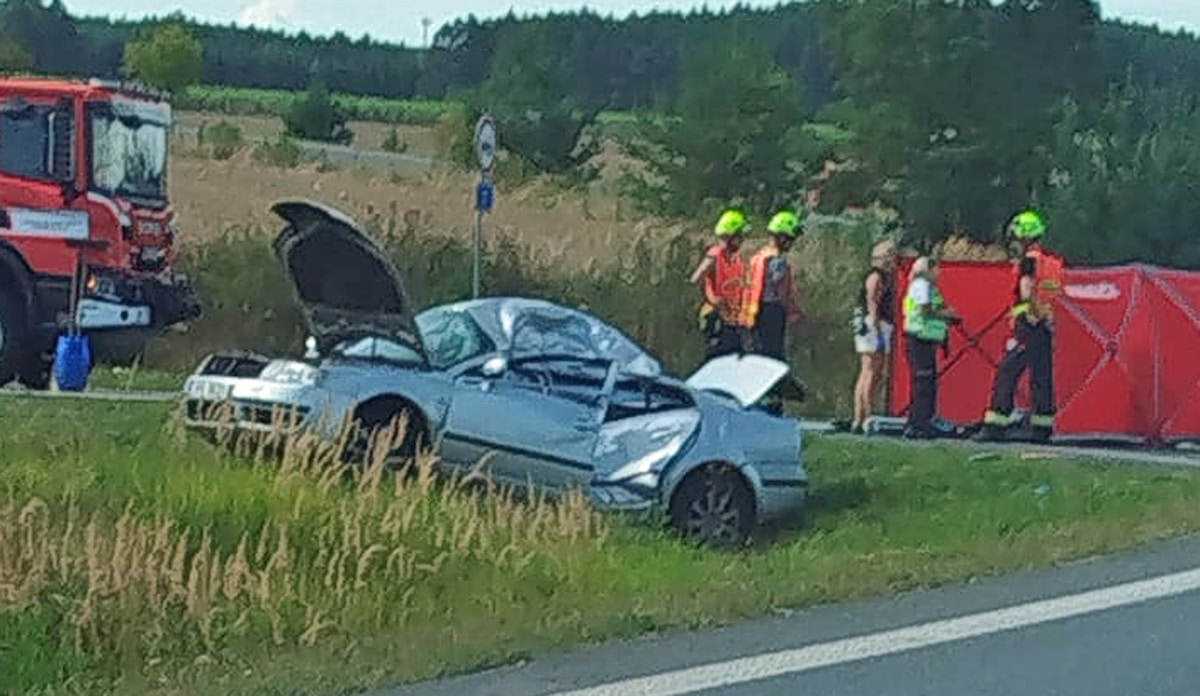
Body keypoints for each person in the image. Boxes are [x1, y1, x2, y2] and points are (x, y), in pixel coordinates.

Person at [976, 210, 1065, 444]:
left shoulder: (1028, 262)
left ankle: (995, 426)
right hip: (1045, 325)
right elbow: (1053, 296)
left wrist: (1031, 313)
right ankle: (1042, 428)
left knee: (1007, 373)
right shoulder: (1053, 264)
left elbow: (1026, 292)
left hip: (1028, 324)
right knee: (1041, 377)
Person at [742, 209, 805, 414]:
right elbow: (782, 291)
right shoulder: (778, 261)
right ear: (782, 237)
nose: (792, 243)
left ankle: (759, 397)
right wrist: (794, 311)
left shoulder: (757, 258)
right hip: (772, 312)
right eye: (790, 238)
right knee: (774, 357)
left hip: (753, 314)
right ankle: (773, 399)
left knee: (759, 356)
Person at [902, 256, 960, 439]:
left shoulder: (928, 287)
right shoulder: (921, 285)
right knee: (923, 382)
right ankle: (919, 423)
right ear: (929, 269)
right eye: (937, 269)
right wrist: (946, 315)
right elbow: (924, 310)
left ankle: (925, 420)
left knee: (927, 382)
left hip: (926, 338)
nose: (939, 273)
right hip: (920, 338)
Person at [851, 240, 899, 434]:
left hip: (875, 324)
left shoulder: (886, 277)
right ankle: (864, 415)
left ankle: (861, 416)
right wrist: (878, 330)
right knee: (870, 370)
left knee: (873, 371)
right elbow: (873, 303)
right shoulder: (876, 276)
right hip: (872, 325)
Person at [690, 209, 750, 360]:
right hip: (717, 317)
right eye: (739, 235)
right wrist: (712, 296)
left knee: (735, 356)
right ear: (730, 236)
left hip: (733, 319)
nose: (742, 239)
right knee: (717, 356)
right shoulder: (715, 254)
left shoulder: (736, 259)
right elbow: (697, 277)